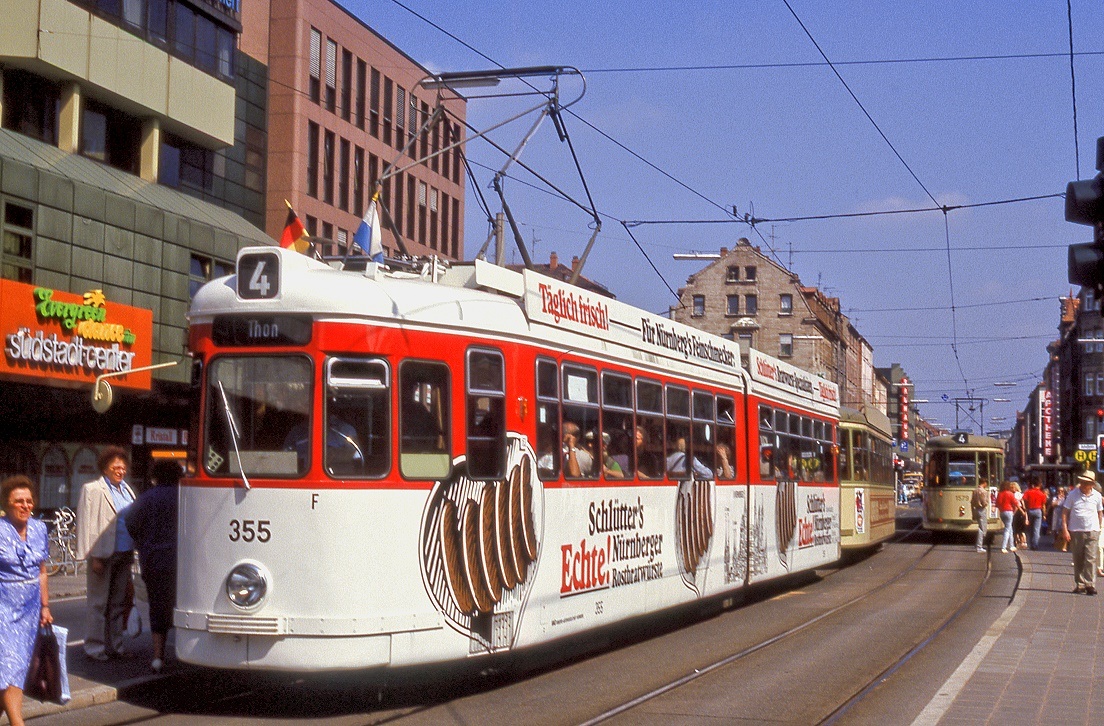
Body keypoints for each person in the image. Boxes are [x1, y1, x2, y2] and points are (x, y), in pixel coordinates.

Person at [75, 446, 136, 661]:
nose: (120, 470)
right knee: (98, 603)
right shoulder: (92, 490)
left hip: (124, 552)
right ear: (105, 468)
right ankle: (94, 647)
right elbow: (85, 524)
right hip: (102, 554)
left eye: (122, 467)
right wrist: (92, 557)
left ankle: (115, 646)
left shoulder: (127, 490)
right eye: (115, 467)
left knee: (118, 603)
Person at [0, 476, 52, 726]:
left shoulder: (40, 528)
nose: (25, 505)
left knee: (19, 667)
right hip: (4, 607)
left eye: (29, 501)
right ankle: (17, 722)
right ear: (6, 504)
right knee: (10, 665)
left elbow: (42, 570)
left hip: (31, 608)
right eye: (18, 501)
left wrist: (45, 606)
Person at [123, 460, 181, 673]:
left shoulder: (146, 499)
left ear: (156, 476)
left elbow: (130, 522)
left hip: (154, 560)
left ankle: (158, 657)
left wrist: (144, 543)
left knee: (158, 607)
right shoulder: (186, 496)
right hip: (182, 562)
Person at [1062, 469, 1104, 595]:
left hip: (1092, 530)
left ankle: (1090, 584)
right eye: (1082, 482)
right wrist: (1065, 528)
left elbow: (1099, 512)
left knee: (1091, 558)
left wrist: (1099, 526)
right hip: (1076, 530)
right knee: (1078, 558)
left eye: (1087, 483)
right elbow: (1065, 512)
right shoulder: (1072, 494)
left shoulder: (1096, 496)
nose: (1084, 485)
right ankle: (1080, 584)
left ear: (1092, 484)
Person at [1021, 479, 1048, 551]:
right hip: (1038, 511)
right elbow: (1043, 505)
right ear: (1039, 484)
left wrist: (1026, 507)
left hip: (1030, 510)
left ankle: (1031, 543)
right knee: (1036, 529)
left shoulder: (1028, 492)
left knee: (1030, 528)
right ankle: (1035, 544)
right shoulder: (1042, 494)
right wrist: (1044, 514)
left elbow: (1023, 499)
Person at [995, 480, 1018, 553]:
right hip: (1009, 511)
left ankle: (1012, 545)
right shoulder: (1010, 493)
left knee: (1009, 527)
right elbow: (1015, 502)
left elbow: (997, 503)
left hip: (1002, 512)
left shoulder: (1000, 494)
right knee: (1007, 529)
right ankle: (1004, 547)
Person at [971, 477, 990, 552]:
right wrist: (986, 502)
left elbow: (972, 502)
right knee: (982, 529)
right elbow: (984, 502)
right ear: (984, 483)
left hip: (976, 509)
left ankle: (978, 545)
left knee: (980, 527)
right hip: (981, 510)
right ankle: (979, 546)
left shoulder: (975, 491)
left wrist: (972, 512)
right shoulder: (984, 492)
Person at [1051, 486, 1069, 551]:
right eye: (1059, 491)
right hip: (1056, 513)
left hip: (1063, 514)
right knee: (1055, 528)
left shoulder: (1066, 498)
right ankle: (1056, 541)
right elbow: (1053, 504)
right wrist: (1058, 499)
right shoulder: (1055, 498)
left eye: (1062, 491)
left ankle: (1064, 545)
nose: (1060, 492)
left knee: (1062, 529)